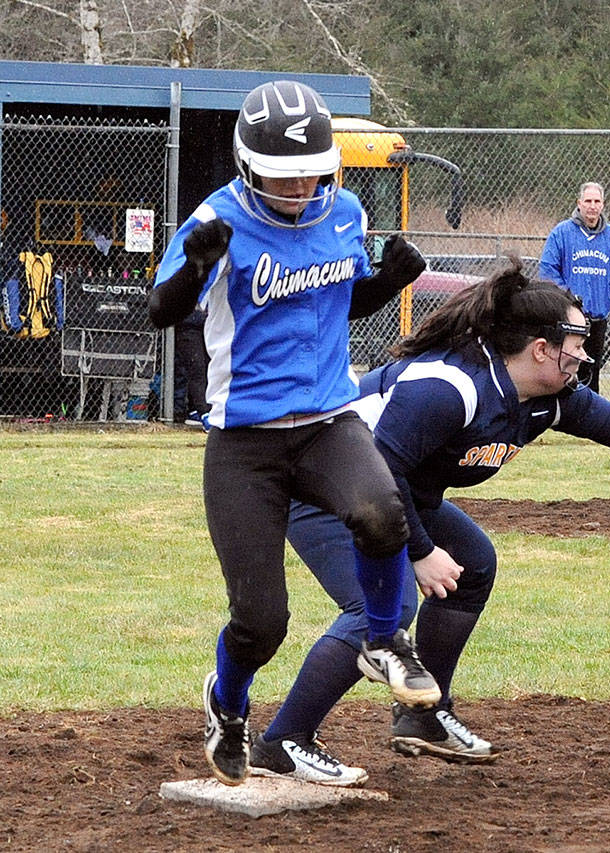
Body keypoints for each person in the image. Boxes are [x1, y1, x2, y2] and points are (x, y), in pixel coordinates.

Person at [251, 261, 610, 785]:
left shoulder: (542, 398)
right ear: (540, 348)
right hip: (325, 487)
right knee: (381, 607)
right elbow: (380, 470)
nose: (581, 353)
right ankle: (282, 741)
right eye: (573, 341)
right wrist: (419, 550)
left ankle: (423, 715)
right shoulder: (449, 386)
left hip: (394, 492)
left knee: (474, 563)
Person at [147, 80, 441, 787]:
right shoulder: (218, 218)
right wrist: (196, 265)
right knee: (261, 622)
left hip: (326, 420)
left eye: (311, 170)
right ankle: (228, 704)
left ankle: (383, 639)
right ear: (249, 169)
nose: (300, 185)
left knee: (381, 512)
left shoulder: (342, 210)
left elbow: (338, 302)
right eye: (283, 176)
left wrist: (388, 282)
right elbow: (160, 311)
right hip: (245, 439)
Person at [538, 181, 610, 392]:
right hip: (569, 322)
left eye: (597, 201)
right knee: (564, 374)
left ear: (603, 205)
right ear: (579, 203)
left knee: (591, 375)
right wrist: (568, 302)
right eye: (588, 201)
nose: (592, 206)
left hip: (596, 320)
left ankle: (588, 419)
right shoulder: (562, 233)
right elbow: (548, 270)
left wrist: (608, 298)